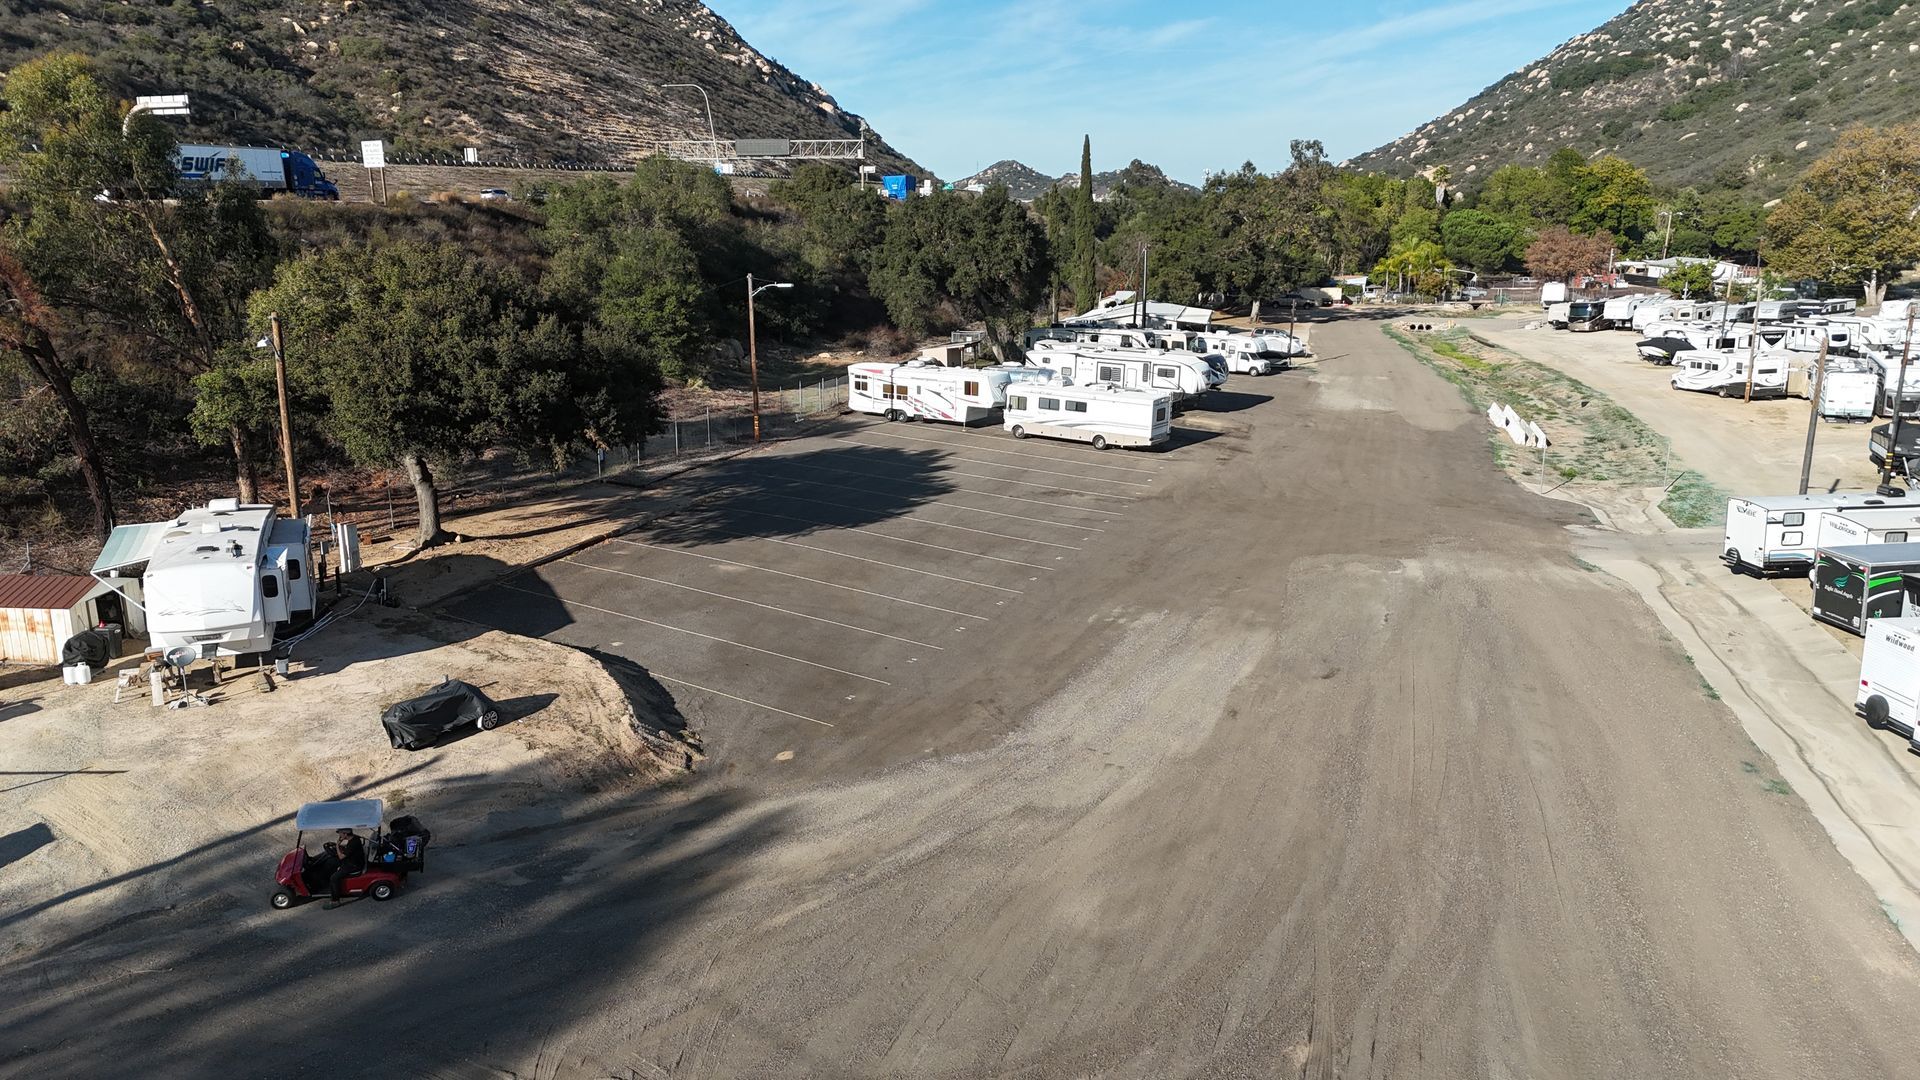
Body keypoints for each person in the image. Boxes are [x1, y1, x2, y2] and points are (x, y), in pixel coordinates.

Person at [324, 828, 367, 909]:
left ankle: (335, 901)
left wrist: (337, 845)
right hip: (351, 861)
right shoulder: (354, 839)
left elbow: (341, 857)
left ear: (345, 834)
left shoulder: (353, 843)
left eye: (340, 834)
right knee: (330, 863)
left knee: (334, 878)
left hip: (354, 865)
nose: (339, 836)